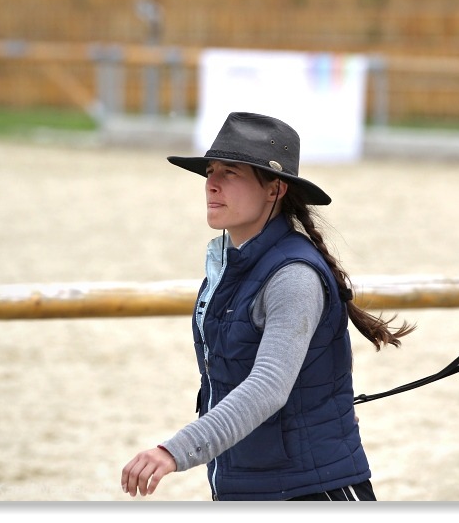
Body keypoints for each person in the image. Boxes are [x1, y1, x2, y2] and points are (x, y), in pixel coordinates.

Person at [121, 111, 415, 501]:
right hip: (246, 485)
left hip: (312, 491)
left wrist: (173, 451)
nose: (211, 184)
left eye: (231, 172)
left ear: (274, 189)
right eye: (210, 171)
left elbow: (269, 387)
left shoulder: (293, 275)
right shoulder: (231, 266)